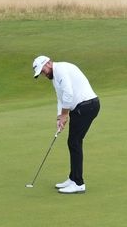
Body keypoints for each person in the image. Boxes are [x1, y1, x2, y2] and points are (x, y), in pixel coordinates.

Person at [32, 55, 100, 194]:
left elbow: (68, 93)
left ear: (49, 63)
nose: (44, 74)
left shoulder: (61, 69)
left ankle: (78, 183)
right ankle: (73, 178)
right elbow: (61, 97)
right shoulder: (55, 77)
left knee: (74, 142)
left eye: (43, 71)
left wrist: (64, 114)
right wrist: (59, 117)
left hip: (87, 106)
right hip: (80, 108)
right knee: (73, 142)